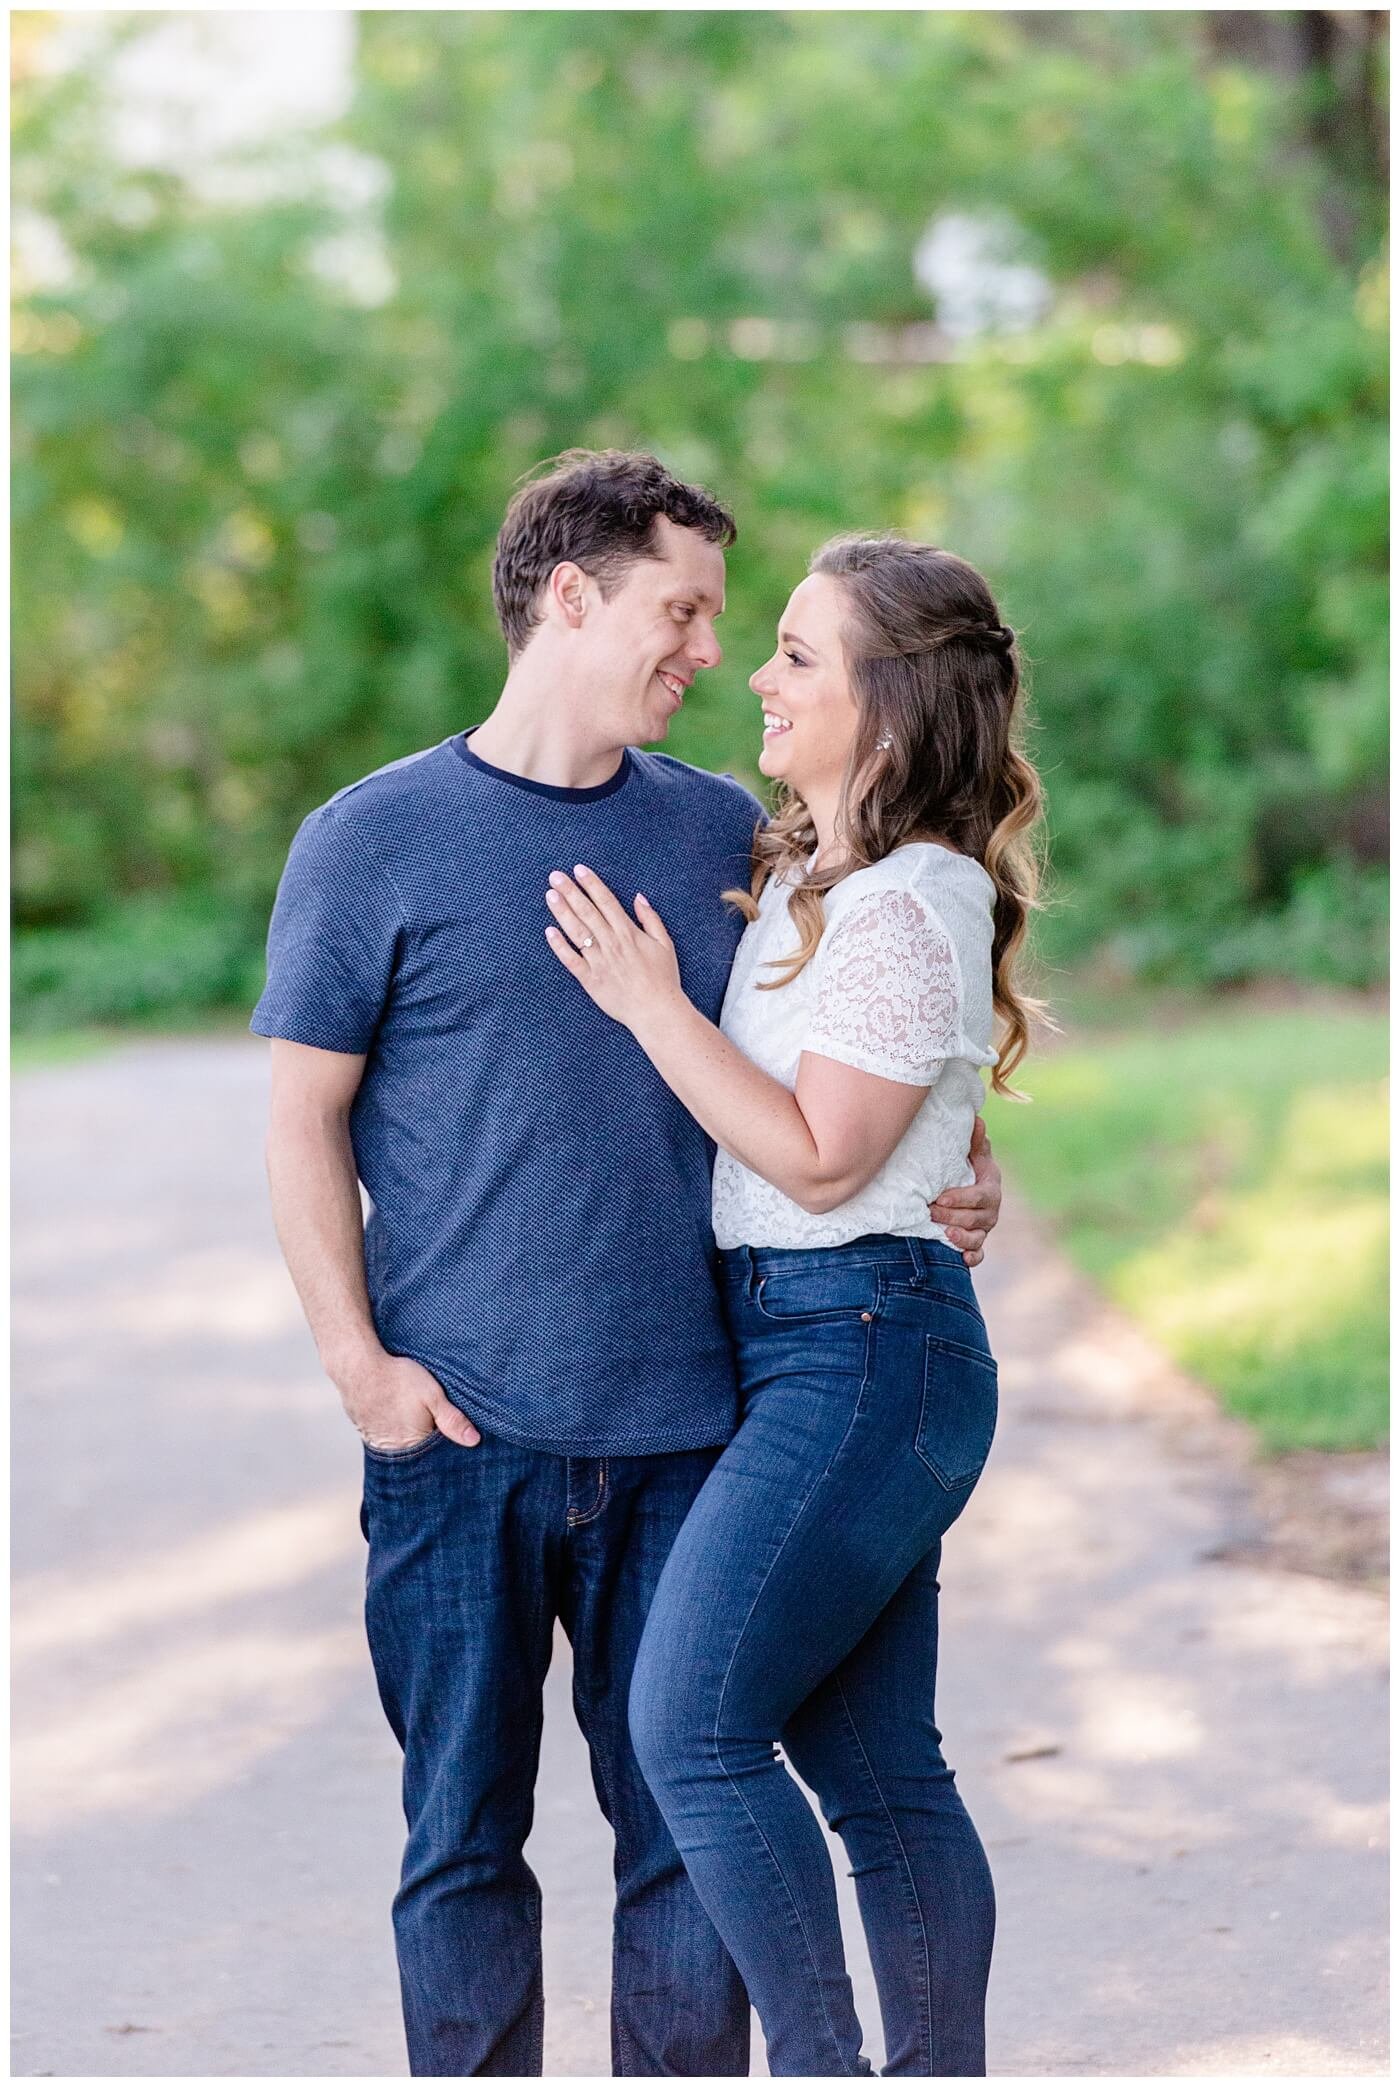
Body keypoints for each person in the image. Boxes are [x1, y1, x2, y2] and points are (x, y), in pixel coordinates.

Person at [250, 450, 1005, 2077]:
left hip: (692, 1424)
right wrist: (358, 1369)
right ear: (571, 596)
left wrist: (961, 1160)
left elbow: (842, 1045)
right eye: (683, 611)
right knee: (458, 1840)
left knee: (682, 1832)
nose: (710, 653)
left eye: (737, 627)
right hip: (456, 1435)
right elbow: (299, 1118)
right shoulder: (370, 839)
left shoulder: (730, 835)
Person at [541, 530, 1045, 2076]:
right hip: (826, 1342)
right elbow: (895, 1119)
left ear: (886, 707)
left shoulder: (912, 898)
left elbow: (823, 1161)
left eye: (797, 655)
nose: (755, 676)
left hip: (861, 1349)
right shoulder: (824, 881)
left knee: (690, 1729)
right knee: (880, 1769)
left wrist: (649, 1008)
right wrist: (961, 1162)